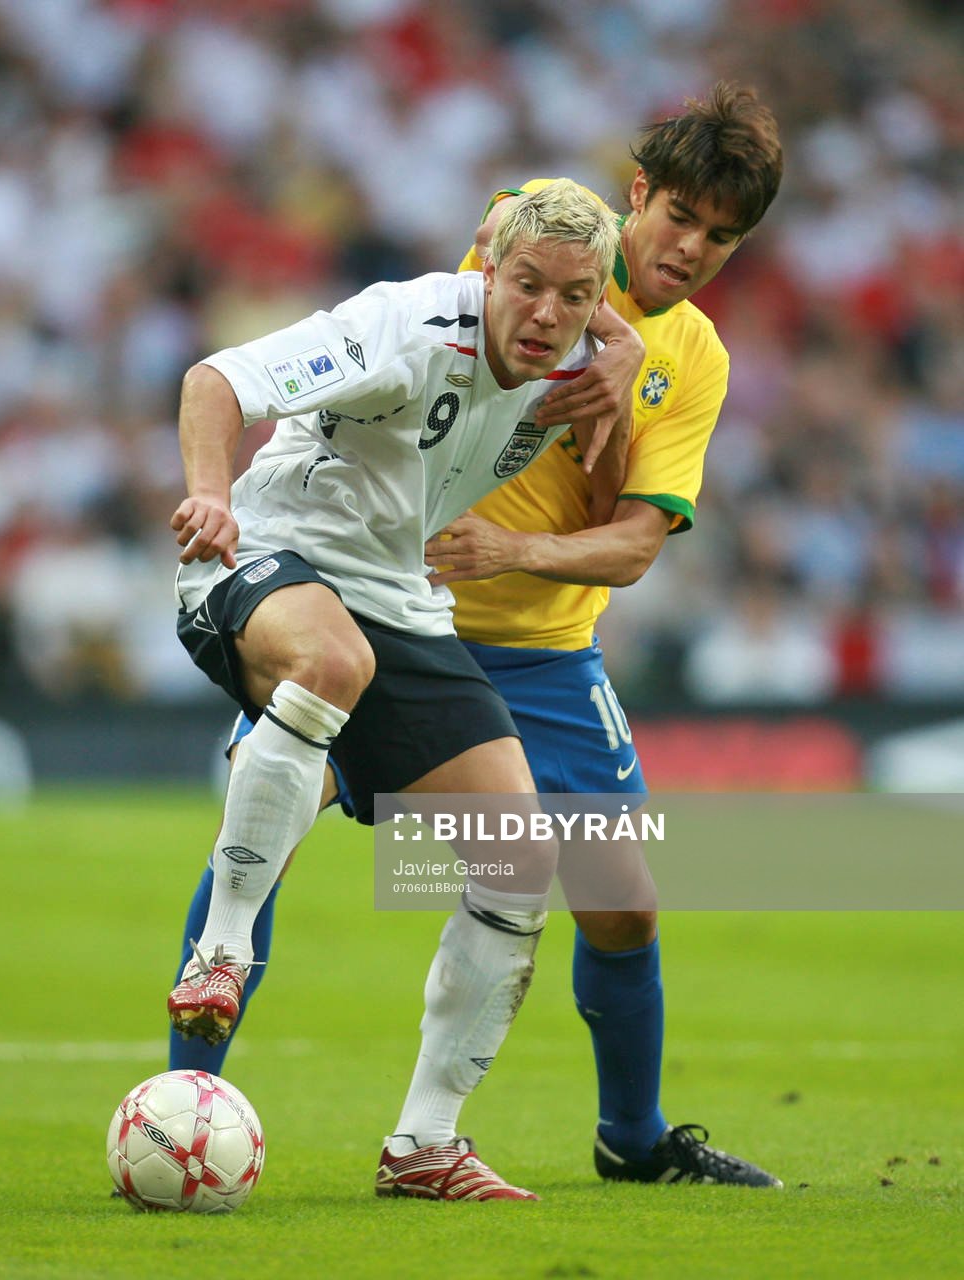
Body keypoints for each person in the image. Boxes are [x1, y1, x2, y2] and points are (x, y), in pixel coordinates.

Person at [171, 83, 786, 1191]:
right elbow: (495, 253)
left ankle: (630, 1137)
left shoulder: (694, 358)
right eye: (679, 215)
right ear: (637, 195)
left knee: (617, 901)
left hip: (542, 647)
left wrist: (530, 527)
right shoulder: (547, 236)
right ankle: (186, 1104)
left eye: (721, 236)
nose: (691, 248)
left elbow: (631, 542)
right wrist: (606, 332)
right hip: (378, 597)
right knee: (262, 839)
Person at [165, 179, 632, 1202]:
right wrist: (207, 493)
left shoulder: (585, 369)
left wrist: (624, 358)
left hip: (400, 600)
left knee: (519, 858)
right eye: (526, 285)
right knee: (332, 661)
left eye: (573, 296)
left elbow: (617, 504)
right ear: (486, 270)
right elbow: (215, 379)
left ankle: (424, 1144)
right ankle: (222, 949)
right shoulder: (405, 325)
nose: (545, 313)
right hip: (263, 554)